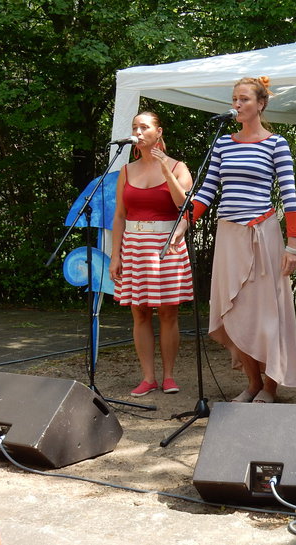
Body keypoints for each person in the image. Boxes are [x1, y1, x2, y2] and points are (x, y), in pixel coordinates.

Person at [178, 76, 296, 403]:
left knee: (267, 313)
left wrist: (293, 245)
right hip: (229, 235)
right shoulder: (222, 143)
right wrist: (184, 224)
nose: (237, 104)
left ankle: (270, 386)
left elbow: (290, 196)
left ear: (261, 104)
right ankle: (251, 383)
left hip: (263, 235)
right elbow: (206, 191)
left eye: (245, 99)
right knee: (235, 312)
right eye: (235, 99)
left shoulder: (276, 144)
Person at [109, 111, 194, 397]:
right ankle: (148, 377)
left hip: (166, 244)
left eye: (144, 126)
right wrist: (115, 255)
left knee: (168, 313)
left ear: (158, 132)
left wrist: (166, 170)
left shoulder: (180, 167)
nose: (138, 131)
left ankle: (169, 376)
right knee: (140, 313)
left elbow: (185, 206)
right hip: (133, 245)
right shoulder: (126, 171)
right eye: (135, 126)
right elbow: (120, 216)